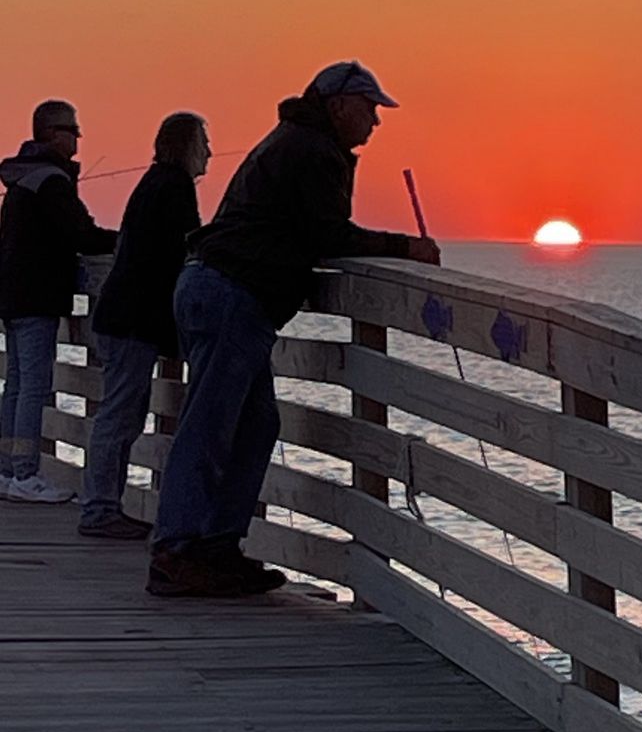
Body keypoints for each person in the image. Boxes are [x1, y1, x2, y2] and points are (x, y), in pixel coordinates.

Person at [149, 61, 440, 597]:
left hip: (221, 288)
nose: (375, 121)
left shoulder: (294, 141)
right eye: (369, 108)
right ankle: (177, 550)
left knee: (255, 424)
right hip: (231, 291)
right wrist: (406, 247)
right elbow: (328, 234)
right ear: (338, 105)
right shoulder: (312, 151)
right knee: (211, 424)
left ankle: (216, 546)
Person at [78, 113, 211, 539]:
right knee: (119, 416)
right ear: (187, 145)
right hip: (131, 321)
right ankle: (99, 508)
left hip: (123, 317)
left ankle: (103, 505)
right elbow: (185, 247)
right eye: (203, 142)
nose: (209, 150)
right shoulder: (174, 187)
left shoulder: (155, 182)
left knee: (123, 414)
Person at [0, 100, 117, 503]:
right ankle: (25, 474)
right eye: (72, 131)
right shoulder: (50, 181)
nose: (77, 139)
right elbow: (82, 234)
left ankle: (6, 470)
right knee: (33, 385)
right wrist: (127, 241)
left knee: (16, 383)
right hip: (36, 297)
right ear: (52, 134)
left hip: (13, 297)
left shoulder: (22, 181)